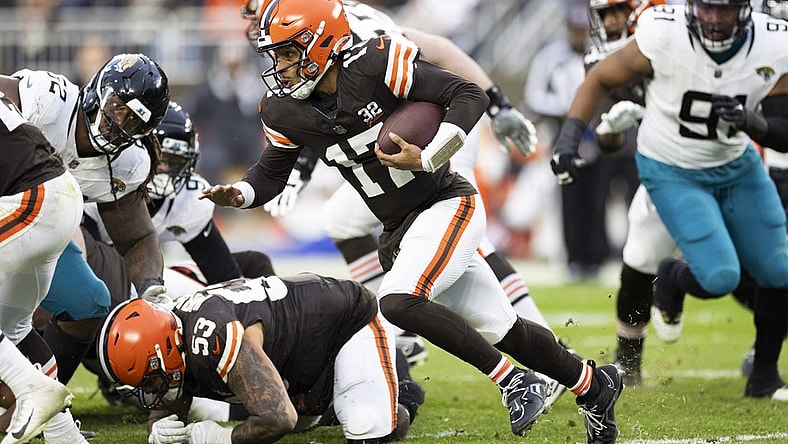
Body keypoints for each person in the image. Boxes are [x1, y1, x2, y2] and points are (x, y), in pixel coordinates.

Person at [203, 0, 624, 442]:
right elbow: (271, 171)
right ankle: (595, 385)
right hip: (400, 225)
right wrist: (243, 193)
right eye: (277, 56)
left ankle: (515, 383)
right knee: (506, 330)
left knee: (398, 300)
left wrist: (430, 155)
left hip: (447, 202)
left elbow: (467, 94)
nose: (281, 67)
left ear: (322, 43)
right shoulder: (285, 108)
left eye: (289, 53)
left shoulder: (374, 62)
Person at [550, 0, 788, 400]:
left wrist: (753, 121)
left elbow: (784, 128)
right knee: (676, 263)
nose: (714, 19)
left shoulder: (772, 41)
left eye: (724, 9)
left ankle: (764, 373)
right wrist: (576, 139)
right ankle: (633, 349)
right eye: (707, 9)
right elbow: (604, 113)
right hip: (671, 167)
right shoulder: (660, 34)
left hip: (735, 163)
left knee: (778, 270)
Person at [0, 53, 170, 441]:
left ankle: (31, 397)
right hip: (32, 208)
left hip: (38, 213)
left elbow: (136, 236)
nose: (118, 123)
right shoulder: (50, 98)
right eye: (117, 107)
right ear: (98, 90)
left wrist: (153, 290)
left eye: (133, 120)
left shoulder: (127, 163)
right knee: (16, 322)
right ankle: (56, 424)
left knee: (88, 303)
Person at [97, 274, 409, 443]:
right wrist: (159, 429)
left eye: (150, 379)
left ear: (164, 351)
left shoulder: (210, 337)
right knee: (302, 418)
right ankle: (334, 400)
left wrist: (223, 437)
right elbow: (169, 402)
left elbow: (277, 418)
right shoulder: (174, 340)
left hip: (346, 325)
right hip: (293, 362)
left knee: (367, 428)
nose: (151, 389)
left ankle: (400, 399)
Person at [0, 91, 83, 444]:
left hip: (35, 198)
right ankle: (65, 436)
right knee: (14, 326)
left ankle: (29, 389)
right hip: (57, 194)